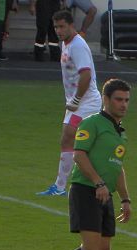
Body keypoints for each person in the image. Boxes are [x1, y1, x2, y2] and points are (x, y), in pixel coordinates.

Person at [43, 79, 132, 250]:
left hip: (105, 194)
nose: (123, 104)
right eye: (118, 99)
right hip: (86, 191)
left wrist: (125, 199)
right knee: (91, 248)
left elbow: (118, 167)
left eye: (126, 100)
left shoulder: (119, 132)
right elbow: (79, 156)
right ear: (106, 99)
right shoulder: (91, 123)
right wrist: (98, 183)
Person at [37, 10, 102, 197]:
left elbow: (86, 75)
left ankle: (76, 184)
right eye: (56, 27)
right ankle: (62, 186)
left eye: (62, 26)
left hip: (85, 103)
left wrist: (75, 100)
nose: (58, 30)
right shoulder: (66, 44)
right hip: (76, 102)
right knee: (68, 139)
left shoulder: (77, 46)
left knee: (71, 137)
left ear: (71, 25)